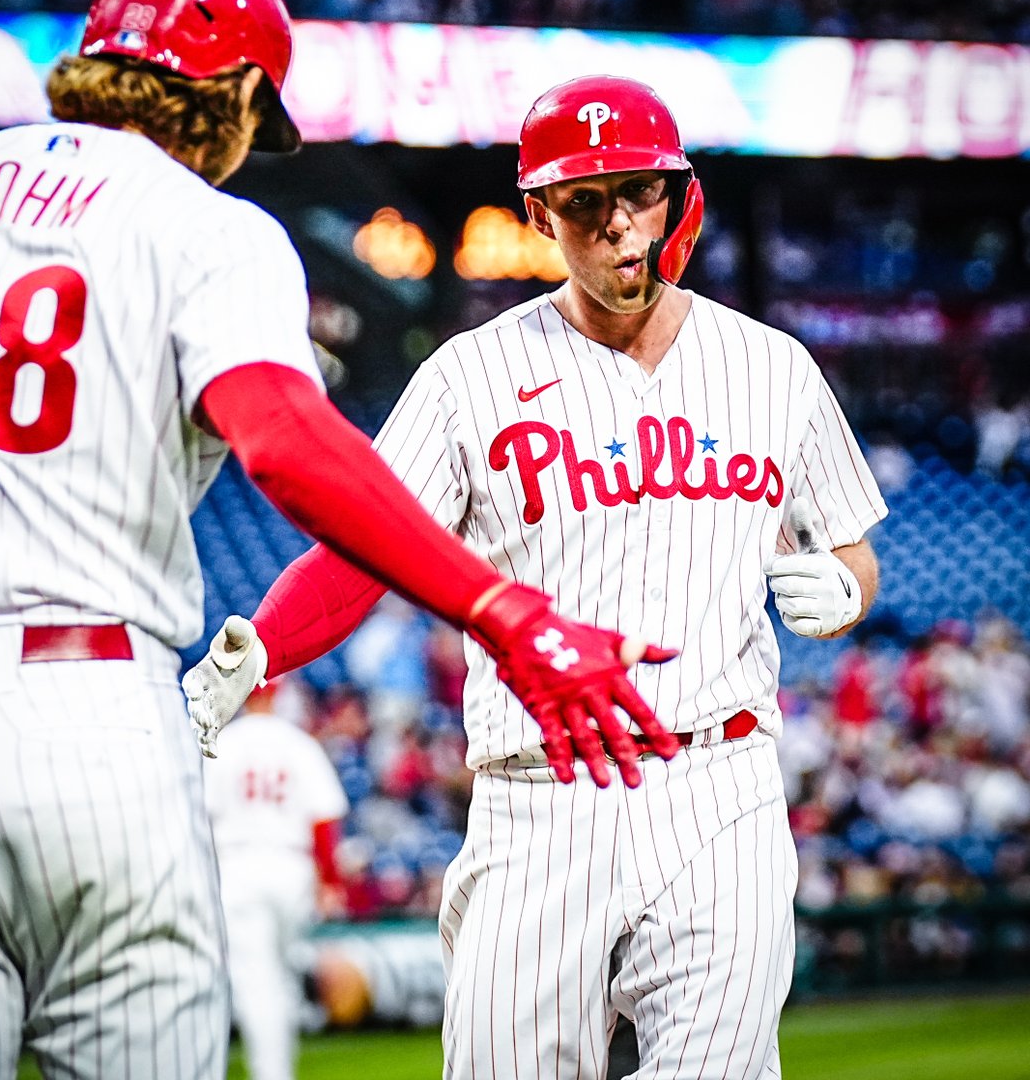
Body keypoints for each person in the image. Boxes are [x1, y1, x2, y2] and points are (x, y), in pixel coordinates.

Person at [0, 0, 677, 1080]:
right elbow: (281, 440)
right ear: (228, 93)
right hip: (86, 715)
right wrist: (502, 608)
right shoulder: (203, 224)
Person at [183, 74, 888, 1079]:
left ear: (678, 192)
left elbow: (851, 543)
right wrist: (264, 647)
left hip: (721, 783)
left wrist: (846, 588)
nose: (614, 223)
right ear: (539, 213)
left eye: (636, 191)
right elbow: (359, 551)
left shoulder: (773, 367)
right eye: (582, 200)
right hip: (539, 794)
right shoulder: (468, 376)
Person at [199, 680, 347, 1080]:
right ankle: (279, 1067)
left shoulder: (223, 743)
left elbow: (203, 820)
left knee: (255, 981)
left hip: (239, 868)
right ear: (280, 695)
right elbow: (323, 821)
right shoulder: (299, 743)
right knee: (278, 975)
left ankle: (272, 1073)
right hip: (291, 868)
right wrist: (329, 881)